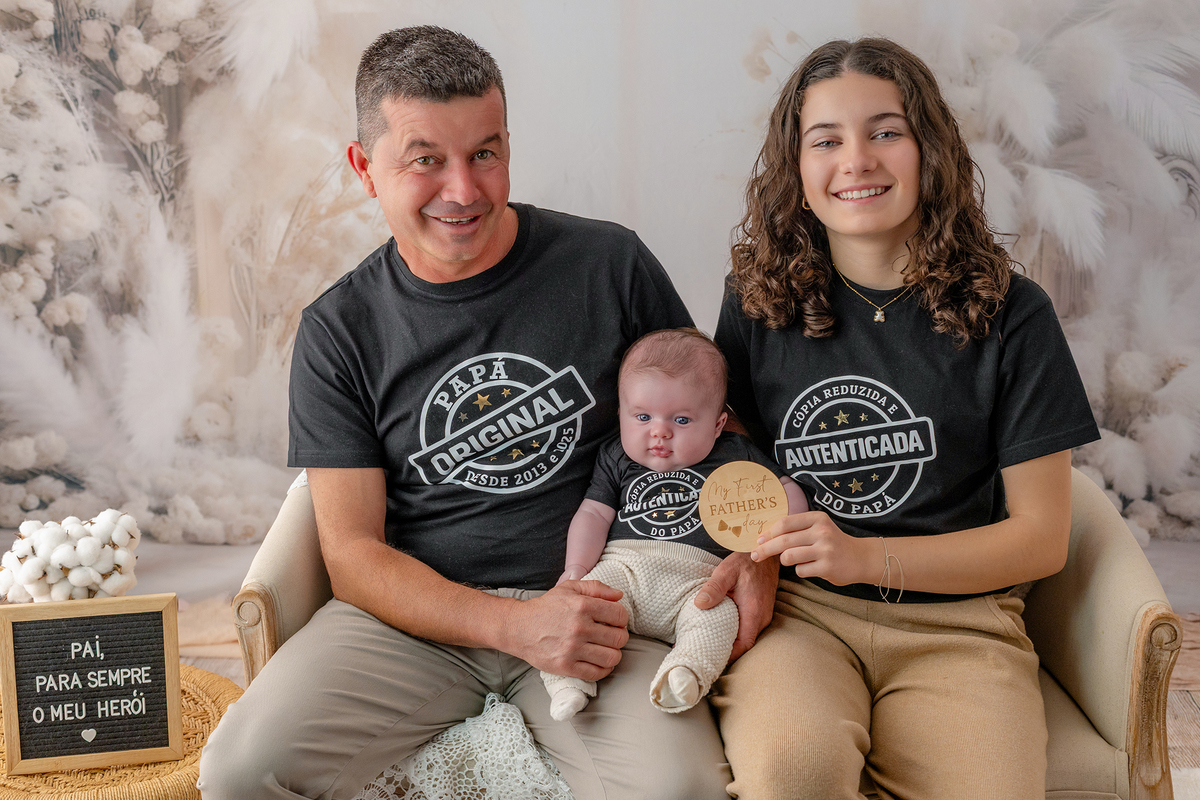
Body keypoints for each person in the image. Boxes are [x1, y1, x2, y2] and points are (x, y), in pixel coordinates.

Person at [198, 26, 759, 800]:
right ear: (365, 168)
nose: (463, 190)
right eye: (426, 159)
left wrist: (751, 553)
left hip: (608, 599)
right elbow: (354, 554)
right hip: (416, 621)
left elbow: (717, 430)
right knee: (238, 773)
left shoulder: (608, 265)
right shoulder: (340, 330)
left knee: (679, 790)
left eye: (485, 153)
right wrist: (510, 625)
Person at [711, 37, 1101, 800]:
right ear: (797, 166)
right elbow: (735, 463)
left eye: (886, 131)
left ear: (931, 150)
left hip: (961, 628)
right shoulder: (754, 299)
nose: (856, 160)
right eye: (826, 140)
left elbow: (1041, 538)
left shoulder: (1013, 314)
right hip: (803, 616)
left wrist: (866, 558)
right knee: (794, 771)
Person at [541, 328, 808, 720]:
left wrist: (781, 535)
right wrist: (577, 570)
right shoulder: (616, 456)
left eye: (682, 419)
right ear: (621, 414)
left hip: (699, 580)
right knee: (574, 612)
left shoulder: (735, 453)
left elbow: (784, 490)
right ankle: (567, 684)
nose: (660, 431)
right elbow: (594, 514)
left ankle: (685, 673)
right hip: (624, 569)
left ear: (717, 425)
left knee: (717, 617)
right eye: (643, 416)